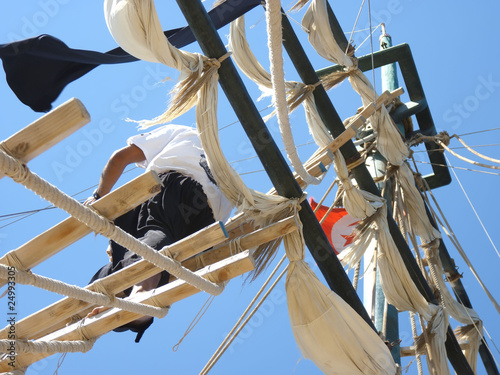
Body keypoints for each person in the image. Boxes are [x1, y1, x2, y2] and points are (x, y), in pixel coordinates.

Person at [85, 124, 233, 342]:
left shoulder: (185, 133)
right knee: (147, 251)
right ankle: (139, 301)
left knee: (151, 243)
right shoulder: (232, 184)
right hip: (201, 225)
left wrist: (99, 198)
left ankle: (138, 296)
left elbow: (119, 159)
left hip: (171, 191)